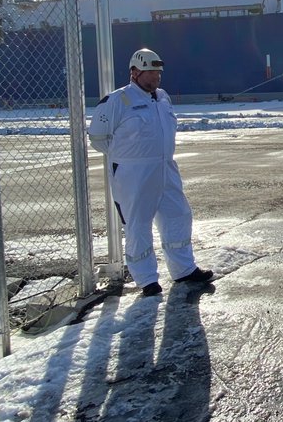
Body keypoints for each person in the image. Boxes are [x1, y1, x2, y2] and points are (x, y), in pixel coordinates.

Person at [88, 48, 214, 297]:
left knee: (178, 215)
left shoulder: (163, 97)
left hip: (165, 167)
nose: (156, 77)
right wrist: (127, 158)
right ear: (134, 73)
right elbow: (98, 138)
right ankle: (146, 279)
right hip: (134, 174)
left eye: (158, 72)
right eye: (151, 72)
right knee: (138, 224)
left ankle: (183, 269)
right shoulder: (117, 101)